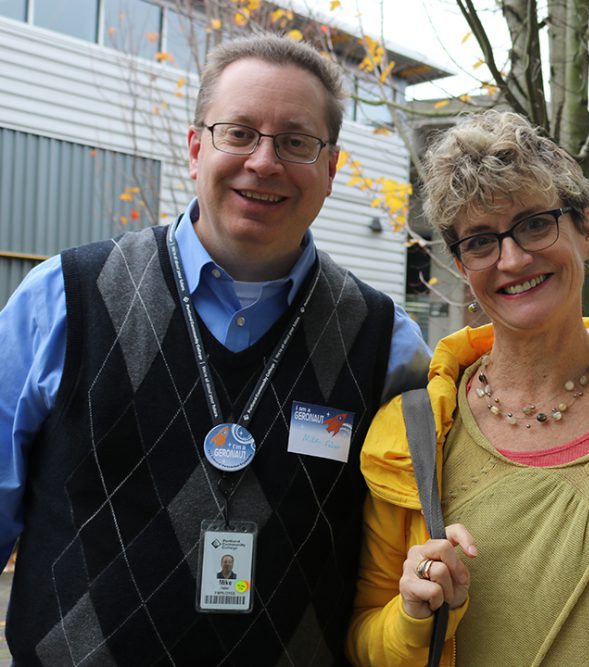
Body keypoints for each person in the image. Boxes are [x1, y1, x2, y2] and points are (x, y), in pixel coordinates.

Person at [0, 34, 430, 666]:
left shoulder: (386, 346)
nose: (264, 161)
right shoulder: (63, 302)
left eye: (296, 141)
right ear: (196, 146)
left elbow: (397, 563)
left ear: (332, 168)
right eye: (239, 132)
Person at [346, 110, 589, 666]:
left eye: (533, 224)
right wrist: (411, 616)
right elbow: (362, 638)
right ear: (461, 264)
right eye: (480, 241)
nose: (513, 258)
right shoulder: (409, 437)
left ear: (586, 228)